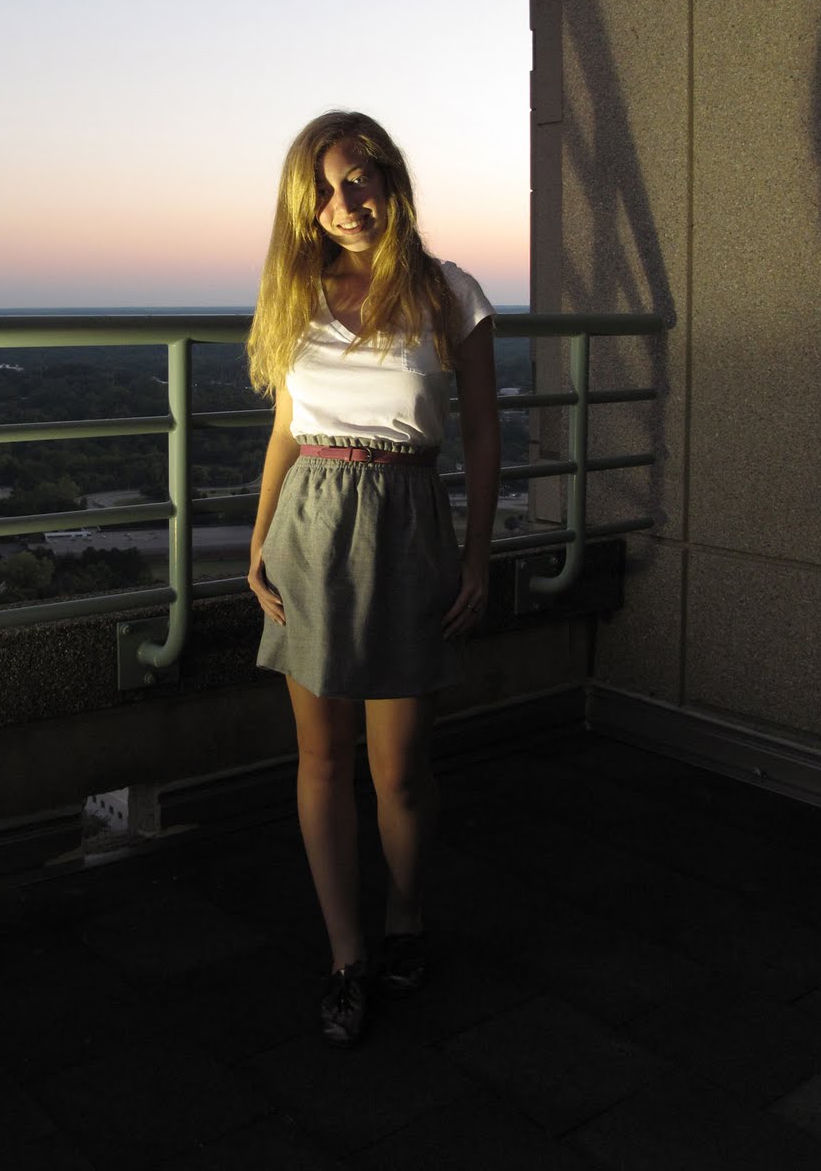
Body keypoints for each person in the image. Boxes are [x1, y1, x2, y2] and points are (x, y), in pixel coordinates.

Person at [246, 110, 500, 1047]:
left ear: (390, 178)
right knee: (320, 760)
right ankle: (346, 957)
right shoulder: (298, 292)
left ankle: (405, 920)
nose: (343, 203)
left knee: (398, 770)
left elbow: (482, 434)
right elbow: (287, 428)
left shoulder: (449, 292)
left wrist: (477, 556)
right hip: (309, 525)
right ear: (302, 207)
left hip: (406, 523)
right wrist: (258, 539)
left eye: (358, 178)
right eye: (322, 190)